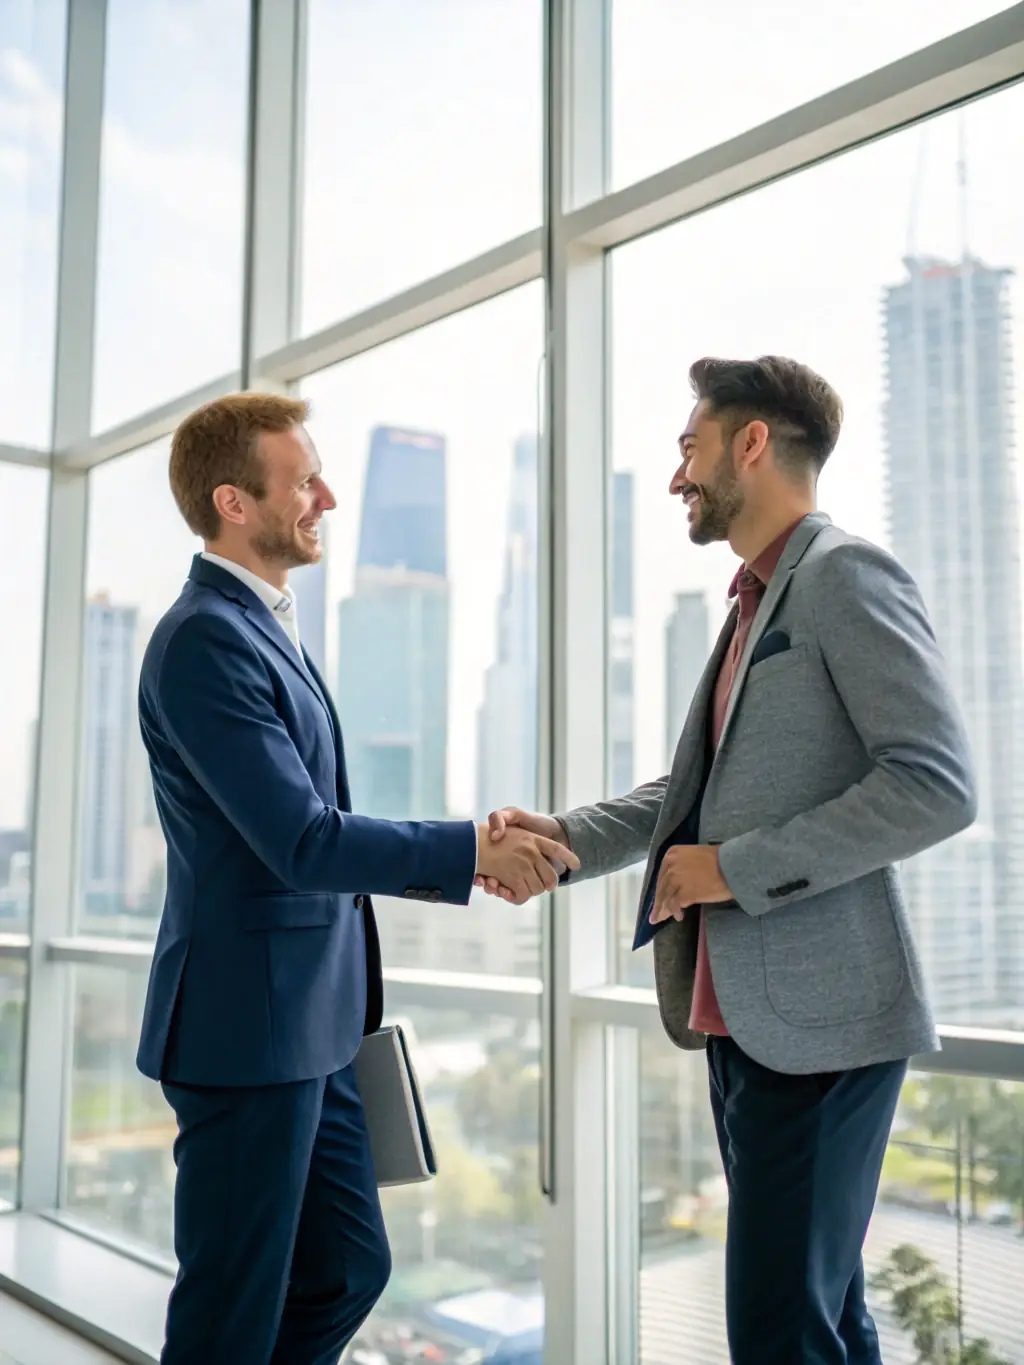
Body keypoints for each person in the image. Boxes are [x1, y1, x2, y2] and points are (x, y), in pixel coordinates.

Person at [479, 356, 977, 1364]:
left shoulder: (843, 576)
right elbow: (691, 794)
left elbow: (936, 784)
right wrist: (568, 839)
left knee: (778, 1330)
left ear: (752, 443)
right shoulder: (753, 603)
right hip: (747, 1022)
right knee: (820, 1318)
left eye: (688, 449)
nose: (677, 478)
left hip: (825, 1028)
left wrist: (732, 869)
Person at [135, 391, 577, 1365]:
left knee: (346, 1268)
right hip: (248, 1032)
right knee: (229, 1313)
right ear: (233, 503)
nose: (325, 497)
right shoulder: (204, 637)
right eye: (303, 482)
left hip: (319, 1028)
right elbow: (300, 840)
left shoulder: (264, 626)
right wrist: (470, 852)